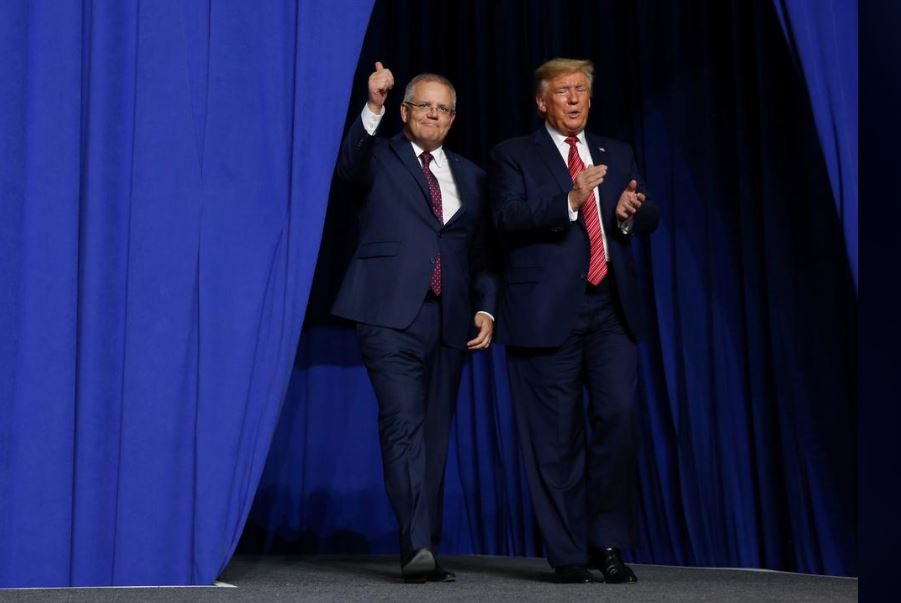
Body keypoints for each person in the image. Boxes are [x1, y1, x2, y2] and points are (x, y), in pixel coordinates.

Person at [489, 58, 659, 584]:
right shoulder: (512, 155)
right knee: (554, 439)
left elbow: (647, 211)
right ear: (542, 101)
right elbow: (506, 219)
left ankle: (605, 542)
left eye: (581, 90)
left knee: (618, 417)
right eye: (563, 91)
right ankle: (566, 553)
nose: (574, 99)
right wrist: (570, 199)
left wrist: (631, 212)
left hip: (609, 306)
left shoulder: (616, 151)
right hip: (545, 313)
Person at [332, 62, 496, 583]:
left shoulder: (471, 174)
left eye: (443, 108)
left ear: (453, 118)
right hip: (388, 315)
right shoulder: (380, 156)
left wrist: (485, 306)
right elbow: (347, 165)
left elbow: (484, 252)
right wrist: (372, 107)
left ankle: (424, 539)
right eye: (423, 105)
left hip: (450, 320)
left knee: (435, 436)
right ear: (404, 110)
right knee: (402, 425)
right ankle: (417, 546)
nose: (433, 114)